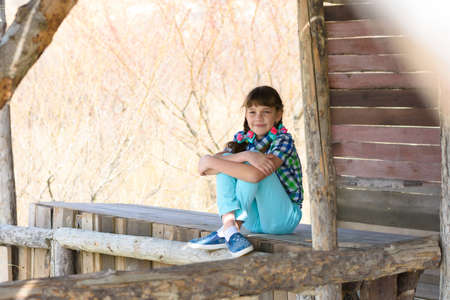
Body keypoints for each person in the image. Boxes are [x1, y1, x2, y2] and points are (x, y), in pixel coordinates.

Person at [188, 86, 303, 257]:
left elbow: (255, 175)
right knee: (231, 161)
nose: (258, 118)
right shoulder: (242, 139)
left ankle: (227, 230)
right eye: (252, 112)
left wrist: (211, 159)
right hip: (253, 221)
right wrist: (244, 154)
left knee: (240, 163)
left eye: (266, 112)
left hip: (282, 219)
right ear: (246, 114)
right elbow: (206, 170)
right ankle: (229, 227)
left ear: (278, 115)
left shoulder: (283, 140)